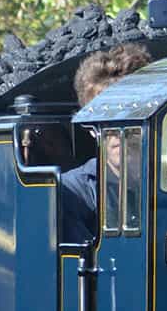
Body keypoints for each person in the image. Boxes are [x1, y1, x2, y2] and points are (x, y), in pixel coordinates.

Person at [56, 42, 154, 245]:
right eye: (106, 117)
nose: (117, 131)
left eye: (128, 114)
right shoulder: (71, 192)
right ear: (91, 128)